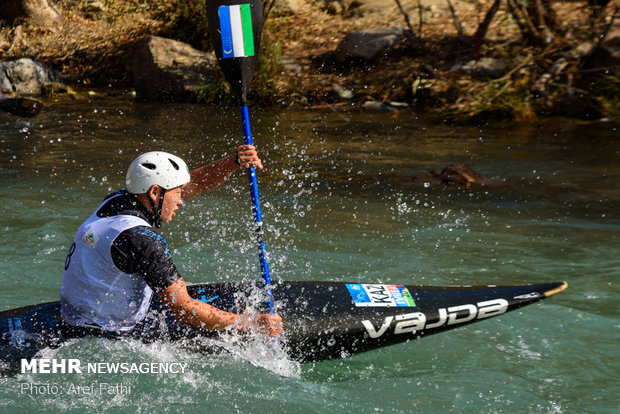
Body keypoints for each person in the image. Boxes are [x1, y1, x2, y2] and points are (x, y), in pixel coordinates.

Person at [60, 147, 282, 338]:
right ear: (155, 192)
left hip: (76, 316)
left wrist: (235, 161)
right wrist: (250, 324)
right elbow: (183, 309)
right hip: (112, 334)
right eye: (177, 193)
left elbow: (194, 182)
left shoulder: (116, 201)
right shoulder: (142, 240)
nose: (180, 200)